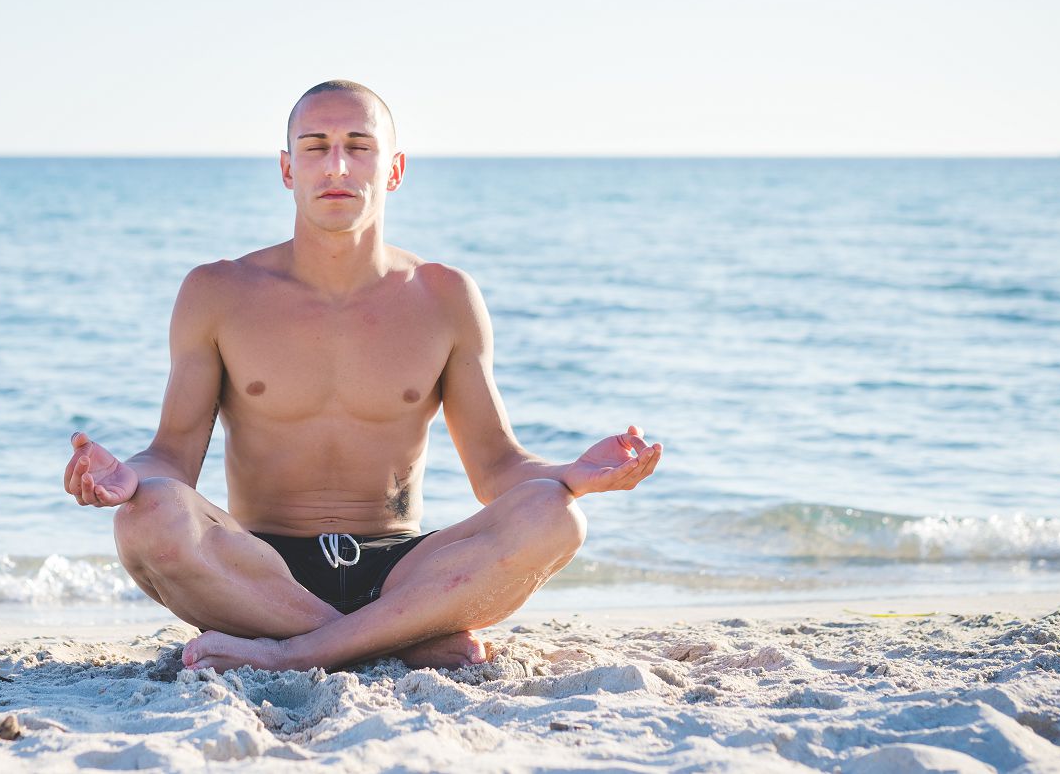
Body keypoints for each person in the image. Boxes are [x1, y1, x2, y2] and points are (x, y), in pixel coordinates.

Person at [63, 80, 662, 672]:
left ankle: (299, 652)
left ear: (394, 169)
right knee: (145, 517)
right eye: (316, 146)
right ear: (287, 168)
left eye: (359, 145)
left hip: (404, 569)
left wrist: (571, 474)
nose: (337, 165)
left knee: (555, 514)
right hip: (260, 574)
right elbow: (173, 457)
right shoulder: (217, 292)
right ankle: (398, 641)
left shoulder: (444, 295)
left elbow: (498, 468)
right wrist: (126, 476)